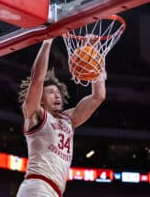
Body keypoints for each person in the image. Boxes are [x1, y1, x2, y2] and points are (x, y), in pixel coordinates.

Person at [16, 38, 106, 197]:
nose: (57, 95)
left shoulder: (68, 120)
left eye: (58, 93)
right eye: (51, 92)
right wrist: (47, 41)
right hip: (37, 186)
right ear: (41, 99)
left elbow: (98, 96)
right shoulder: (35, 115)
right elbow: (37, 80)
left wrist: (94, 53)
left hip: (54, 191)